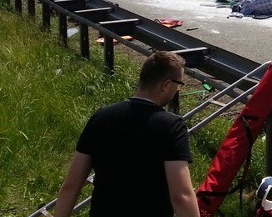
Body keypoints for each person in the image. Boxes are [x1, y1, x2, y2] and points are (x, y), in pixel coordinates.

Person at [53, 51, 200, 217]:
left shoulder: (101, 117)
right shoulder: (171, 127)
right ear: (166, 85)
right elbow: (181, 196)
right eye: (179, 84)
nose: (177, 90)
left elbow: (72, 184)